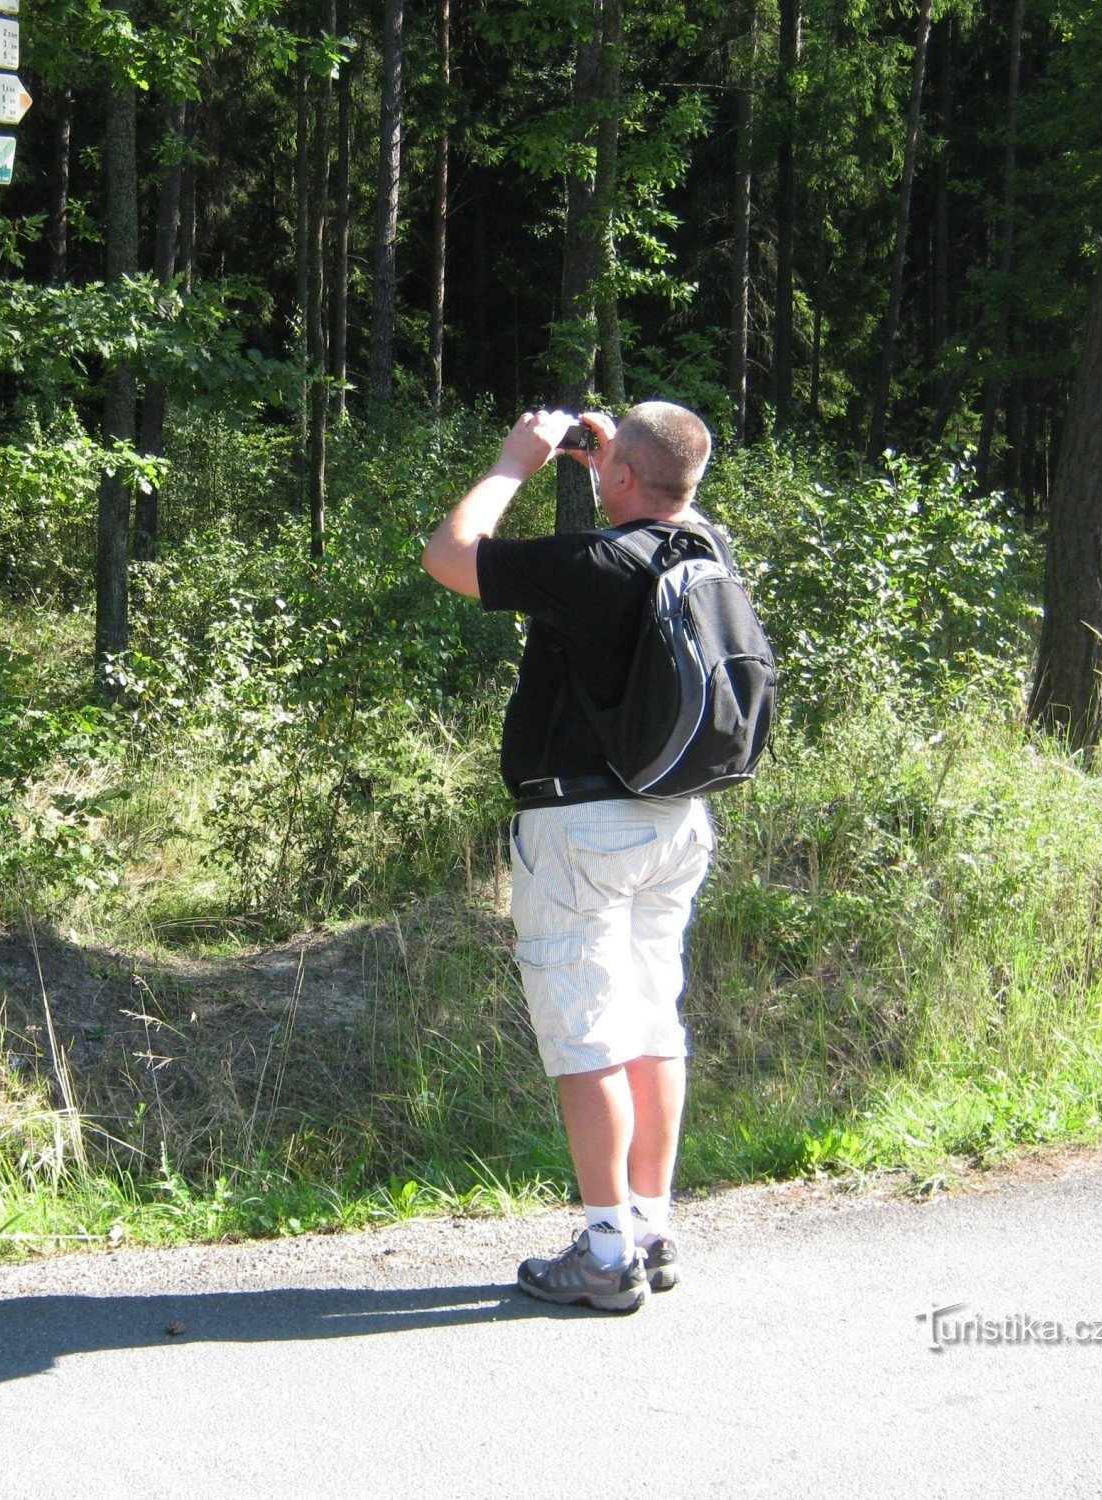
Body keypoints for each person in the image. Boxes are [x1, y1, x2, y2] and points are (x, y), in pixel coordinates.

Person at [420, 401, 723, 1314]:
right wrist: (620, 454)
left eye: (607, 467)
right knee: (651, 1021)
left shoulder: (593, 562)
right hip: (676, 825)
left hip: (582, 831)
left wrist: (519, 460)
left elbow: (449, 555)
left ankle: (603, 1252)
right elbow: (670, 482)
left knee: (588, 1033)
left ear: (620, 478)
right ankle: (651, 1224)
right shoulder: (706, 551)